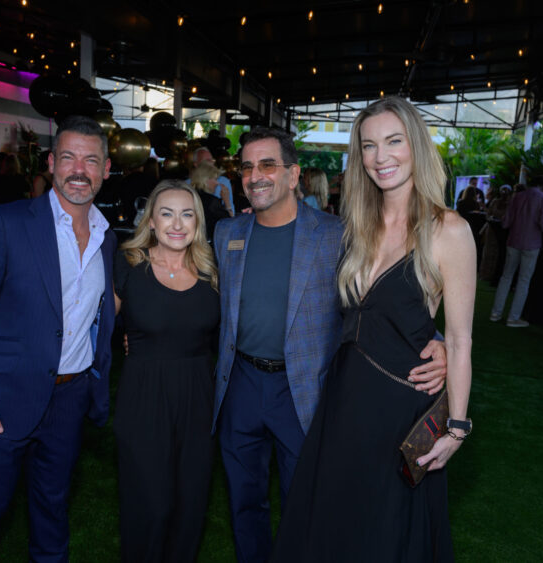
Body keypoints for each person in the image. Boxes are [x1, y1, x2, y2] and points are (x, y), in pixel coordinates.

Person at [212, 126, 448, 563]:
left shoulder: (337, 234)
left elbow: (380, 299)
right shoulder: (227, 233)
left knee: (307, 504)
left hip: (305, 391)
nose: (255, 176)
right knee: (245, 502)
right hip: (239, 387)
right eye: (247, 167)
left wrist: (437, 341)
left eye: (268, 165)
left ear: (293, 174)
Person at [271, 95, 475, 563]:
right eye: (368, 146)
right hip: (342, 404)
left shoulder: (449, 230)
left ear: (416, 146)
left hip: (400, 410)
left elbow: (461, 339)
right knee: (331, 528)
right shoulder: (352, 226)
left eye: (393, 141)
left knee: (384, 535)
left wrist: (457, 428)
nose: (381, 157)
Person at [0, 116, 117, 561]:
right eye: (68, 157)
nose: (79, 169)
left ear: (106, 168)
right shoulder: (6, 223)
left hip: (70, 399)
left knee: (53, 511)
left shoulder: (107, 238)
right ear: (51, 163)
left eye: (90, 159)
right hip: (0, 403)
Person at [113, 180, 219, 562]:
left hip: (198, 399)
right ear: (152, 221)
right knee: (151, 506)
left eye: (187, 214)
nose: (178, 224)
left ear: (197, 222)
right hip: (144, 396)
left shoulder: (212, 270)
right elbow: (94, 330)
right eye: (167, 213)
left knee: (189, 506)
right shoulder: (127, 265)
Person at [489, 175, 543, 327]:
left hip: (513, 240)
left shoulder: (517, 196)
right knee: (523, 281)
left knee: (506, 277)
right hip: (532, 243)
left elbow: (506, 222)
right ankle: (513, 318)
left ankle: (495, 313)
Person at [191, 159, 232, 241]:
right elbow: (229, 226)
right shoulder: (211, 201)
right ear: (205, 179)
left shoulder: (189, 196)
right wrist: (227, 202)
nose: (217, 183)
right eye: (215, 179)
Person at [190, 146, 235, 215]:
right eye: (207, 161)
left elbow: (232, 212)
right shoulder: (186, 185)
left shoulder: (224, 181)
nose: (211, 163)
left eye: (212, 160)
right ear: (196, 164)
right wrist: (227, 204)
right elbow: (229, 221)